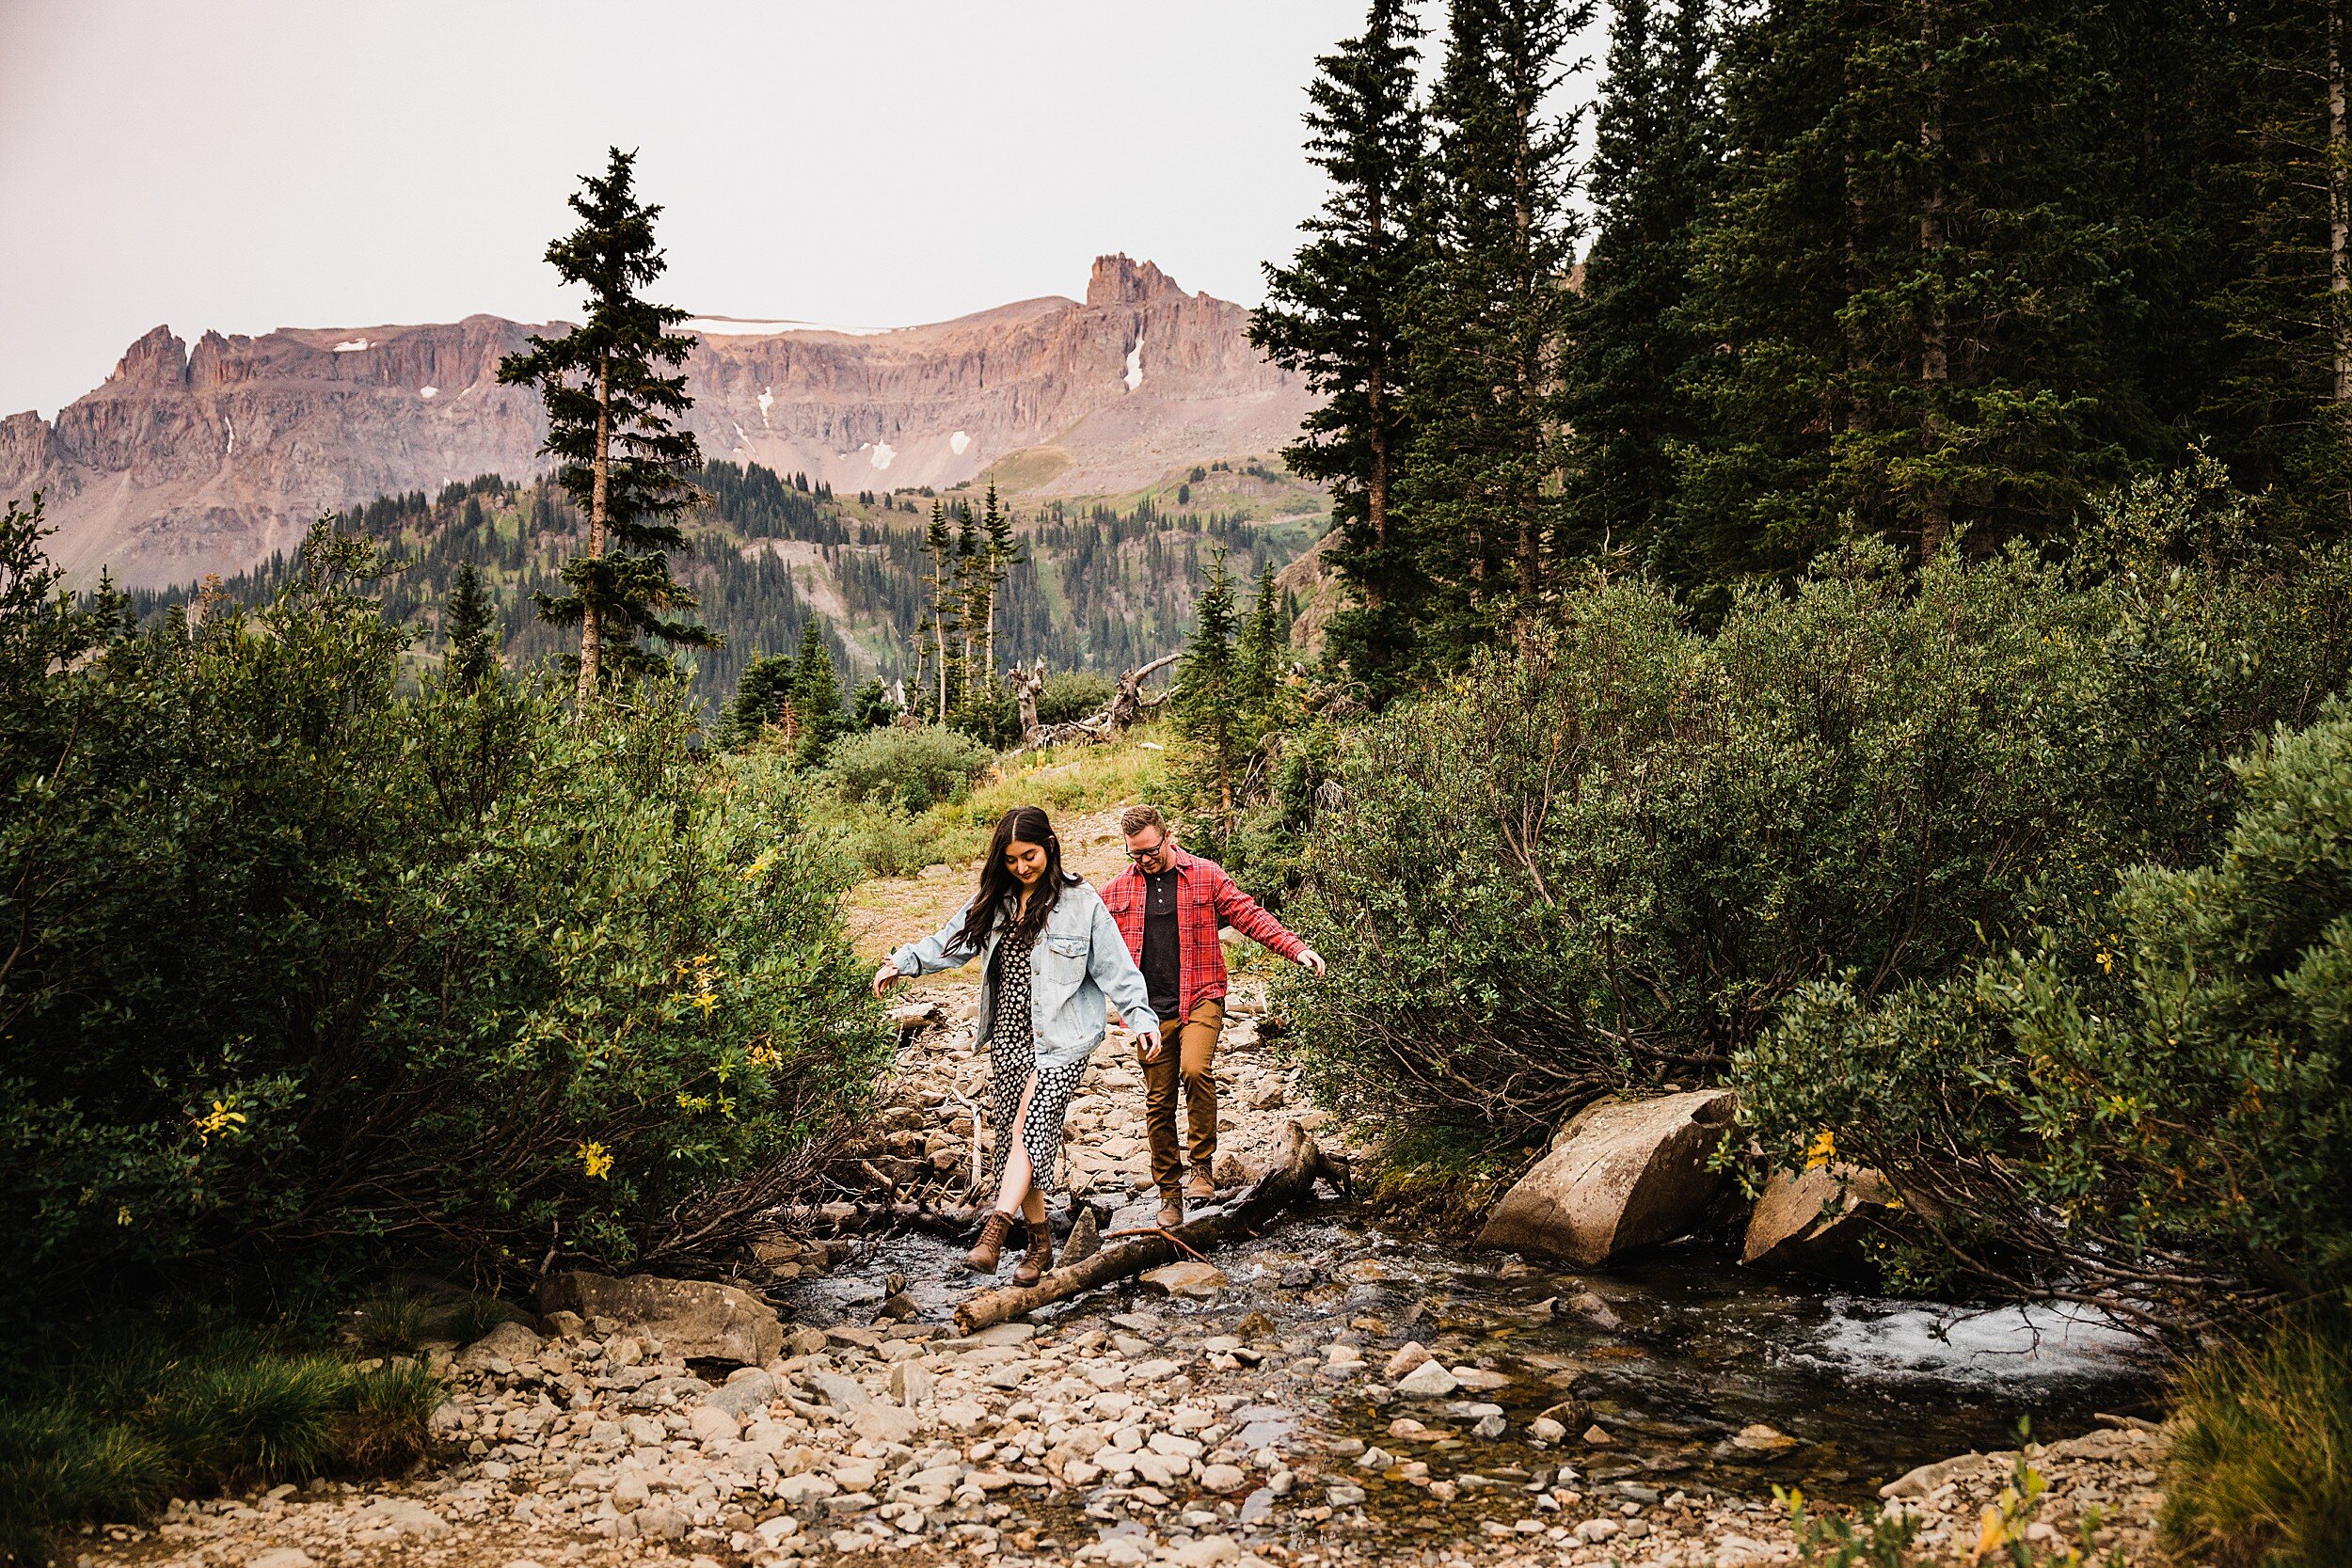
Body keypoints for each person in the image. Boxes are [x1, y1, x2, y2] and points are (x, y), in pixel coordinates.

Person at [872, 805, 1158, 1285]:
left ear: (1049, 845)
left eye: (1029, 856)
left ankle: (995, 1230)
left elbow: (1118, 968)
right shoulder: (997, 901)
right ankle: (1040, 1242)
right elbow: (951, 941)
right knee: (1017, 1139)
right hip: (1008, 1033)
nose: (1022, 868)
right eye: (1010, 860)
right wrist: (902, 962)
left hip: (1062, 1037)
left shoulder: (1081, 901)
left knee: (1033, 1124)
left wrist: (1140, 1017)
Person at [1099, 805, 1326, 1228]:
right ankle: (1169, 1193)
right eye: (1135, 855)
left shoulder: (1205, 875)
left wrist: (1296, 949)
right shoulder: (1116, 891)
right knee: (1158, 1101)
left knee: (1195, 1069)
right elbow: (1088, 940)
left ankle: (1201, 1167)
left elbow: (1249, 916)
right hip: (1147, 1011)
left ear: (1168, 838)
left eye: (1149, 851)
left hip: (1201, 996)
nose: (1144, 861)